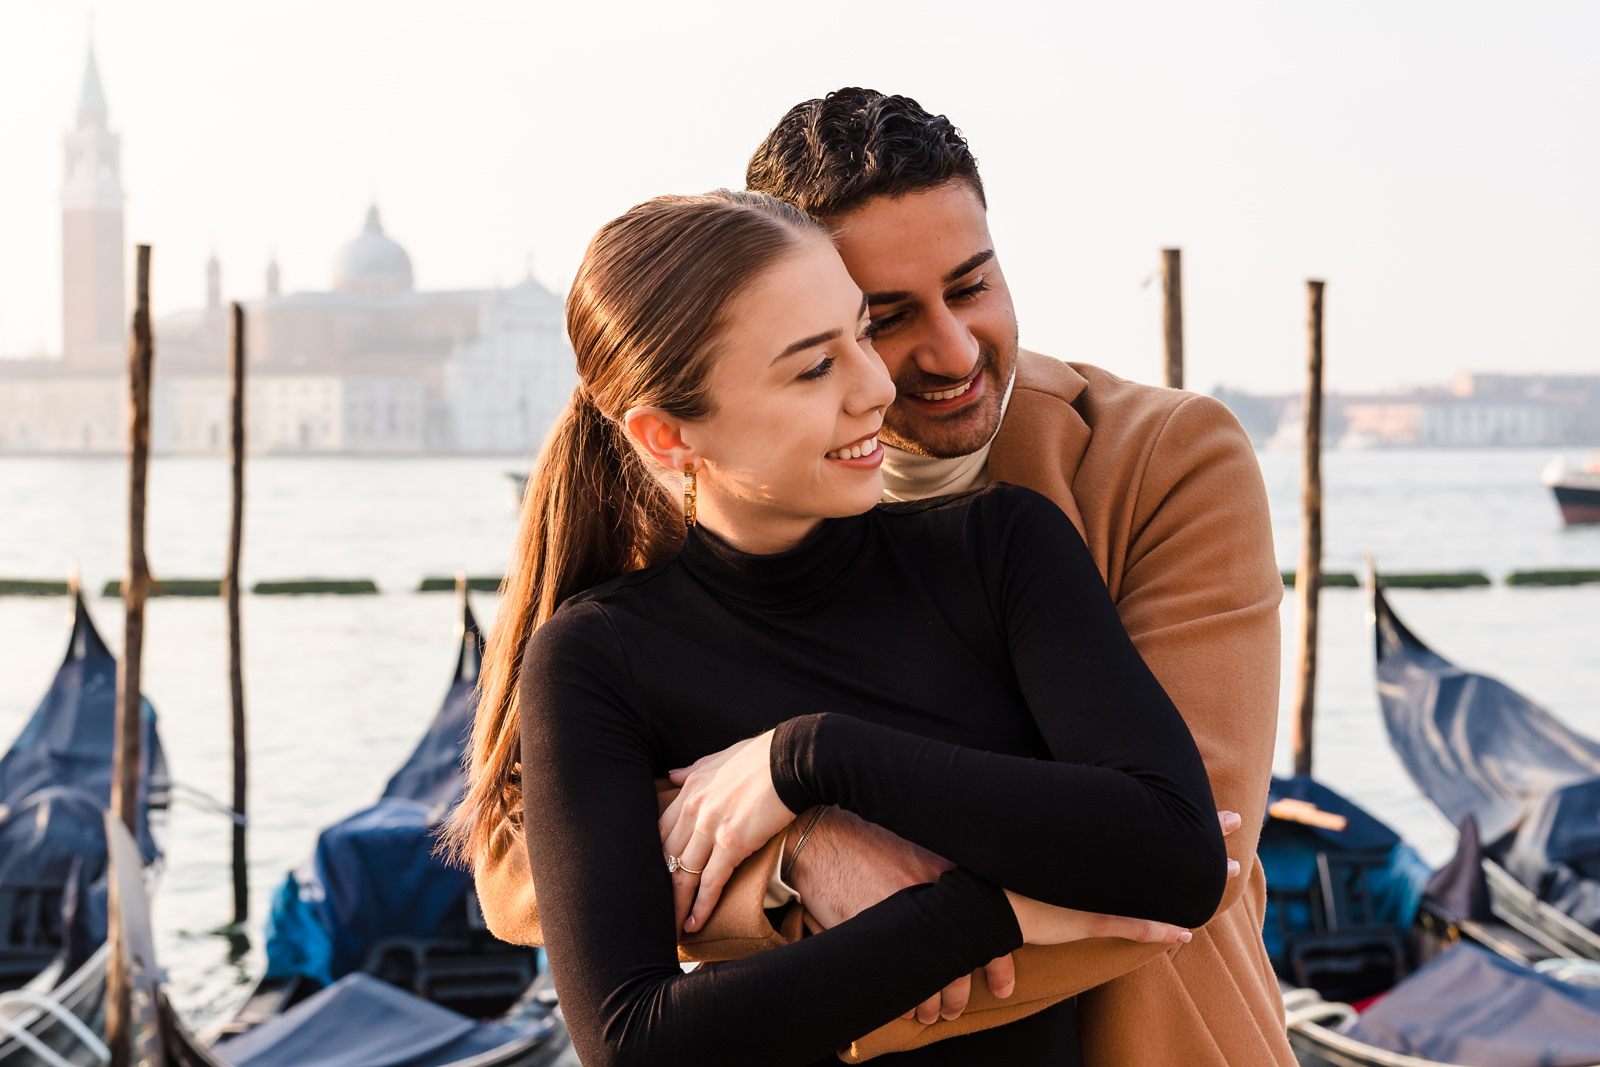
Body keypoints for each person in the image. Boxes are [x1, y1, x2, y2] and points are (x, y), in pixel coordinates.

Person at [475, 90, 1292, 1066]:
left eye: (973, 284)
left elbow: (1184, 859)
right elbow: (523, 875)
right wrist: (800, 856)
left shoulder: (1132, 472)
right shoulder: (636, 584)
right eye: (882, 317)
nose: (945, 351)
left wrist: (806, 779)